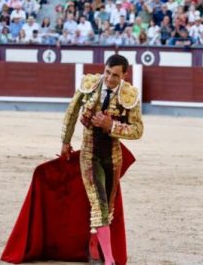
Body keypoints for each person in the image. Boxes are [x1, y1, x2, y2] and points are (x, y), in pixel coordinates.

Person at [60, 54, 143, 265]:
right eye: (107, 72)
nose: (109, 79)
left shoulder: (129, 95)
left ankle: (93, 243)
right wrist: (65, 142)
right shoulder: (89, 84)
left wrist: (111, 126)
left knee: (109, 204)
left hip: (113, 156)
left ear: (124, 75)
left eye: (115, 75)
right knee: (100, 203)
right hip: (89, 153)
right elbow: (71, 113)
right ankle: (110, 260)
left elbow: (138, 130)